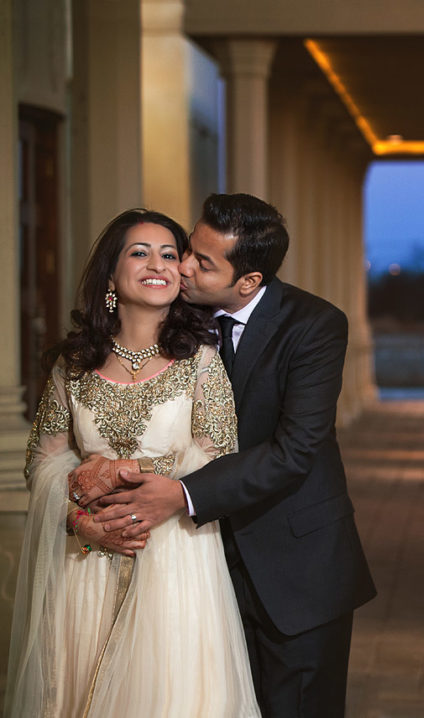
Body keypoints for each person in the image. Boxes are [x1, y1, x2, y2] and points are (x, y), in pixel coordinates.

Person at [70, 193, 377, 717]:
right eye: (188, 249)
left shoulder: (314, 325)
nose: (182, 266)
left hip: (295, 567)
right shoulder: (174, 313)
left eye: (201, 262)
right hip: (194, 570)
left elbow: (295, 449)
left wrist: (183, 494)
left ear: (248, 282)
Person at [5, 209, 260, 717]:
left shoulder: (201, 361)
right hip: (85, 561)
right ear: (111, 275)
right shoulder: (73, 364)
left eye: (170, 254)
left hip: (173, 558)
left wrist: (144, 480)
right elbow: (41, 462)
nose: (158, 264)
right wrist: (83, 519)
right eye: (139, 252)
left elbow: (220, 458)